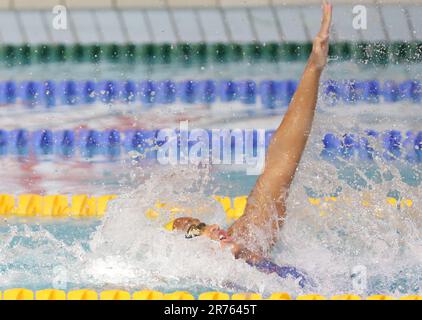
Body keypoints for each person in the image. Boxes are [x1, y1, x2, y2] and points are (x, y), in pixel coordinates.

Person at [165, 1, 333, 288]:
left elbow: (283, 161)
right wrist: (207, 235)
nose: (219, 234)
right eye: (212, 234)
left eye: (213, 230)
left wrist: (313, 68)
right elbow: (177, 226)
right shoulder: (199, 265)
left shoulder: (249, 238)